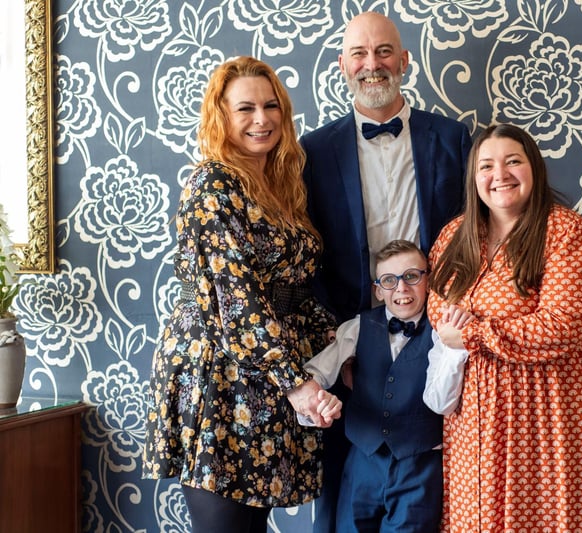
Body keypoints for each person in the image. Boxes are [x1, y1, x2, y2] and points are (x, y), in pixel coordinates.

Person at [142, 56, 344, 533]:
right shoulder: (213, 184)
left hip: (268, 375)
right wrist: (296, 384)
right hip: (220, 375)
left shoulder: (280, 186)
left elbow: (292, 289)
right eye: (245, 108)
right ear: (221, 117)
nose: (262, 119)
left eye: (271, 106)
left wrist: (346, 344)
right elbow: (236, 299)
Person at [298, 11, 472, 532]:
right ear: (342, 65)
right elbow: (306, 256)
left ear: (404, 61)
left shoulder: (453, 138)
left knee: (431, 493)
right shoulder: (313, 151)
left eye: (383, 52)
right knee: (345, 497)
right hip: (350, 339)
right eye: (359, 54)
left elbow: (471, 240)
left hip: (436, 339)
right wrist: (340, 344)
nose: (371, 64)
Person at [427, 124, 582, 531]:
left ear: (533, 167)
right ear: (474, 178)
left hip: (557, 411)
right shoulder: (454, 235)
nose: (499, 174)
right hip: (476, 419)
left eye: (512, 161)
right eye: (486, 165)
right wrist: (467, 331)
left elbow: (562, 324)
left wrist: (474, 334)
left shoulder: (565, 231)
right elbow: (437, 310)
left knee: (558, 518)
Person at [299, 239, 471, 532]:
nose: (401, 289)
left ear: (427, 280)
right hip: (363, 461)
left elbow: (443, 402)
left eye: (412, 276)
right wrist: (316, 404)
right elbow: (316, 373)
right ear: (378, 289)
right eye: (389, 281)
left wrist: (456, 347)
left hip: (419, 467)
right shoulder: (357, 327)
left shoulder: (443, 332)